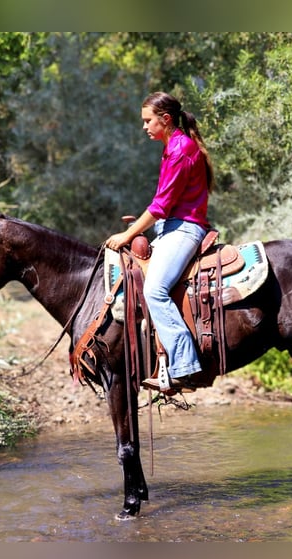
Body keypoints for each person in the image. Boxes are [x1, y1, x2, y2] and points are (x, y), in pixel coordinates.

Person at [105, 91, 214, 390]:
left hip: (184, 229)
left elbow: (160, 206)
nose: (144, 127)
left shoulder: (180, 150)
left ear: (165, 120)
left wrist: (127, 235)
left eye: (148, 121)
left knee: (154, 289)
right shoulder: (172, 147)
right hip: (171, 227)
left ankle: (186, 366)